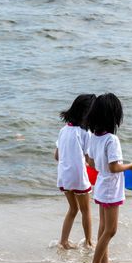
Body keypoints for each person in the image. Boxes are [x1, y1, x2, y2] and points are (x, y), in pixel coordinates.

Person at [86, 93, 132, 263]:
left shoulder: (94, 137)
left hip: (102, 183)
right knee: (111, 229)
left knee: (103, 226)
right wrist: (131, 166)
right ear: (114, 117)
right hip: (111, 187)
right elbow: (115, 166)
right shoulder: (112, 140)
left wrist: (104, 167)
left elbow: (91, 162)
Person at [55, 94, 96, 250]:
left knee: (73, 209)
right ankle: (88, 242)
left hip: (64, 176)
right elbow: (90, 160)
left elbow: (57, 156)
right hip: (78, 176)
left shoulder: (64, 130)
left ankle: (63, 242)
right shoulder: (85, 132)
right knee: (86, 210)